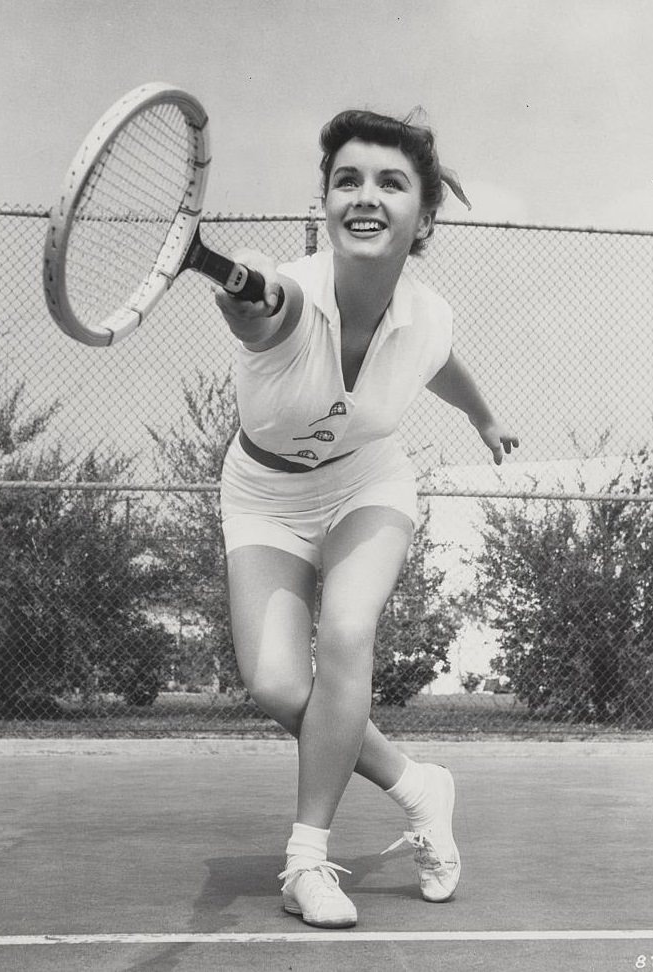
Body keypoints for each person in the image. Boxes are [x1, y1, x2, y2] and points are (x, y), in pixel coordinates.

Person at [213, 108, 519, 928]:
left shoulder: (428, 315)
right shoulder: (285, 299)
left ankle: (306, 863)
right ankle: (420, 786)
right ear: (324, 201)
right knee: (278, 685)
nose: (365, 196)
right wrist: (243, 280)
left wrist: (483, 419)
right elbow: (259, 305)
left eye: (391, 182)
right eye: (346, 179)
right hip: (265, 498)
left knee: (346, 632)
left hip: (364, 485)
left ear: (423, 216)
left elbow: (440, 364)